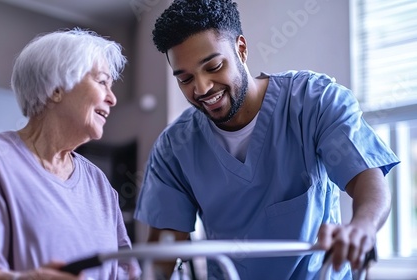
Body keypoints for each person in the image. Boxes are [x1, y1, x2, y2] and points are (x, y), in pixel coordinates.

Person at [134, 0, 400, 279]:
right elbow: (165, 243)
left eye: (213, 66)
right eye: (185, 79)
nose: (201, 88)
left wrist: (361, 228)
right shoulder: (174, 148)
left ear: (241, 49)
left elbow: (367, 179)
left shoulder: (313, 100)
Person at [0, 29, 140, 280]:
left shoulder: (99, 184)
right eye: (102, 81)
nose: (113, 98)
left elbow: (127, 272)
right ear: (56, 89)